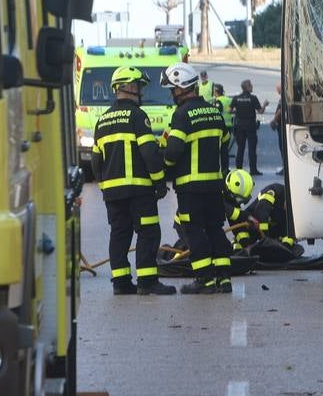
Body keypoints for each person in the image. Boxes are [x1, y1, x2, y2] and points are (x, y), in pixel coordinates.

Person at [90, 66, 176, 295]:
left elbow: (95, 159)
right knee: (148, 233)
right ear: (127, 86)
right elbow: (149, 152)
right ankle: (147, 282)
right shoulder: (138, 116)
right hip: (138, 190)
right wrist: (159, 182)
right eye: (138, 86)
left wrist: (104, 186)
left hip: (113, 193)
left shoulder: (103, 120)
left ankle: (121, 283)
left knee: (119, 234)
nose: (141, 91)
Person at [162, 62, 235, 294]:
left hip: (190, 187)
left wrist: (164, 168)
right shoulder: (214, 112)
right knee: (215, 229)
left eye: (172, 89)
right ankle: (224, 280)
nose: (172, 94)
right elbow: (225, 141)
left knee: (194, 231)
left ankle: (204, 280)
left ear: (181, 88)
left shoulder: (182, 115)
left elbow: (173, 151)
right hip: (214, 185)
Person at [230, 79, 268, 175]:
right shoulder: (253, 98)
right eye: (251, 85)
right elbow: (260, 111)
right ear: (247, 87)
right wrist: (264, 105)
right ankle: (253, 170)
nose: (252, 87)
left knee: (240, 148)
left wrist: (238, 111)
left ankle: (239, 169)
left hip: (239, 125)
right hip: (250, 125)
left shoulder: (236, 98)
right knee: (252, 149)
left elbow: (229, 110)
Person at [213, 83, 233, 168]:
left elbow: (217, 112)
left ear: (216, 92)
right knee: (225, 149)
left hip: (220, 127)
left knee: (218, 149)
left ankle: (219, 168)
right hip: (229, 126)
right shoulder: (229, 99)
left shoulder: (218, 101)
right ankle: (225, 168)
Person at [270, 81, 285, 175]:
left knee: (283, 147)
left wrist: (274, 121)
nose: (277, 91)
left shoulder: (283, 98)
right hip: (282, 125)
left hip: (282, 126)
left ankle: (285, 168)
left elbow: (280, 111)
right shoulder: (284, 97)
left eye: (278, 89)